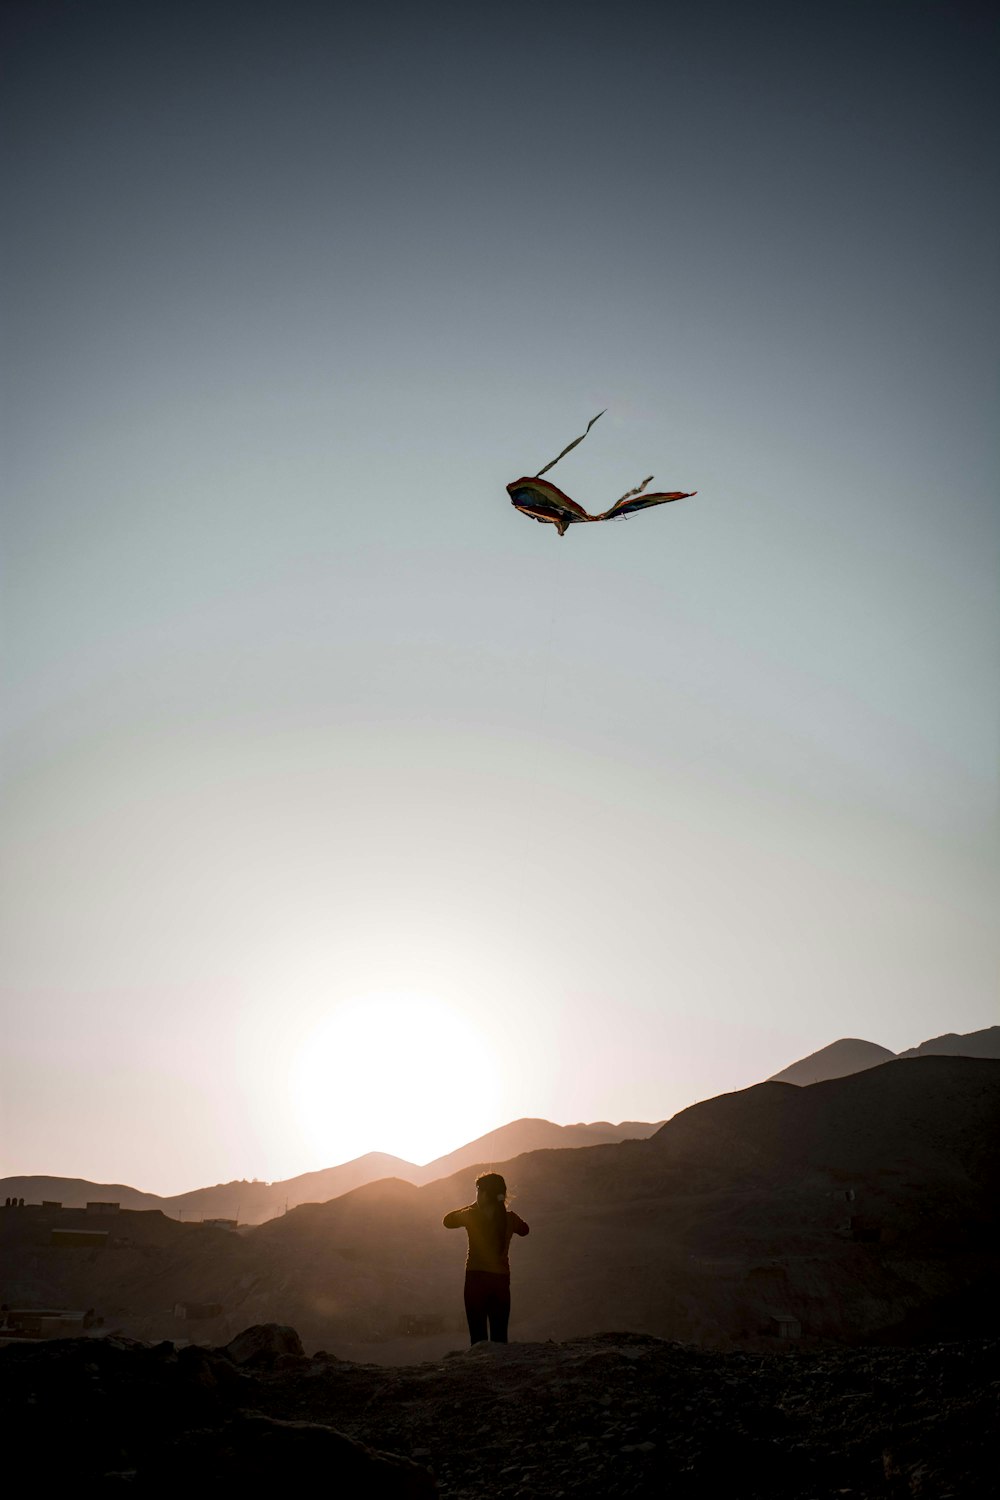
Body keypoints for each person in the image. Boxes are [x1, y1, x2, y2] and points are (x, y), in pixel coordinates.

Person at [443, 1172, 529, 1345]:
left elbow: (447, 1220)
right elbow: (525, 1230)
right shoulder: (510, 1218)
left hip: (476, 1280)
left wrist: (473, 1206)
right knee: (499, 1336)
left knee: (478, 1337)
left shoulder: (471, 1215)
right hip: (501, 1281)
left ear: (482, 1193)